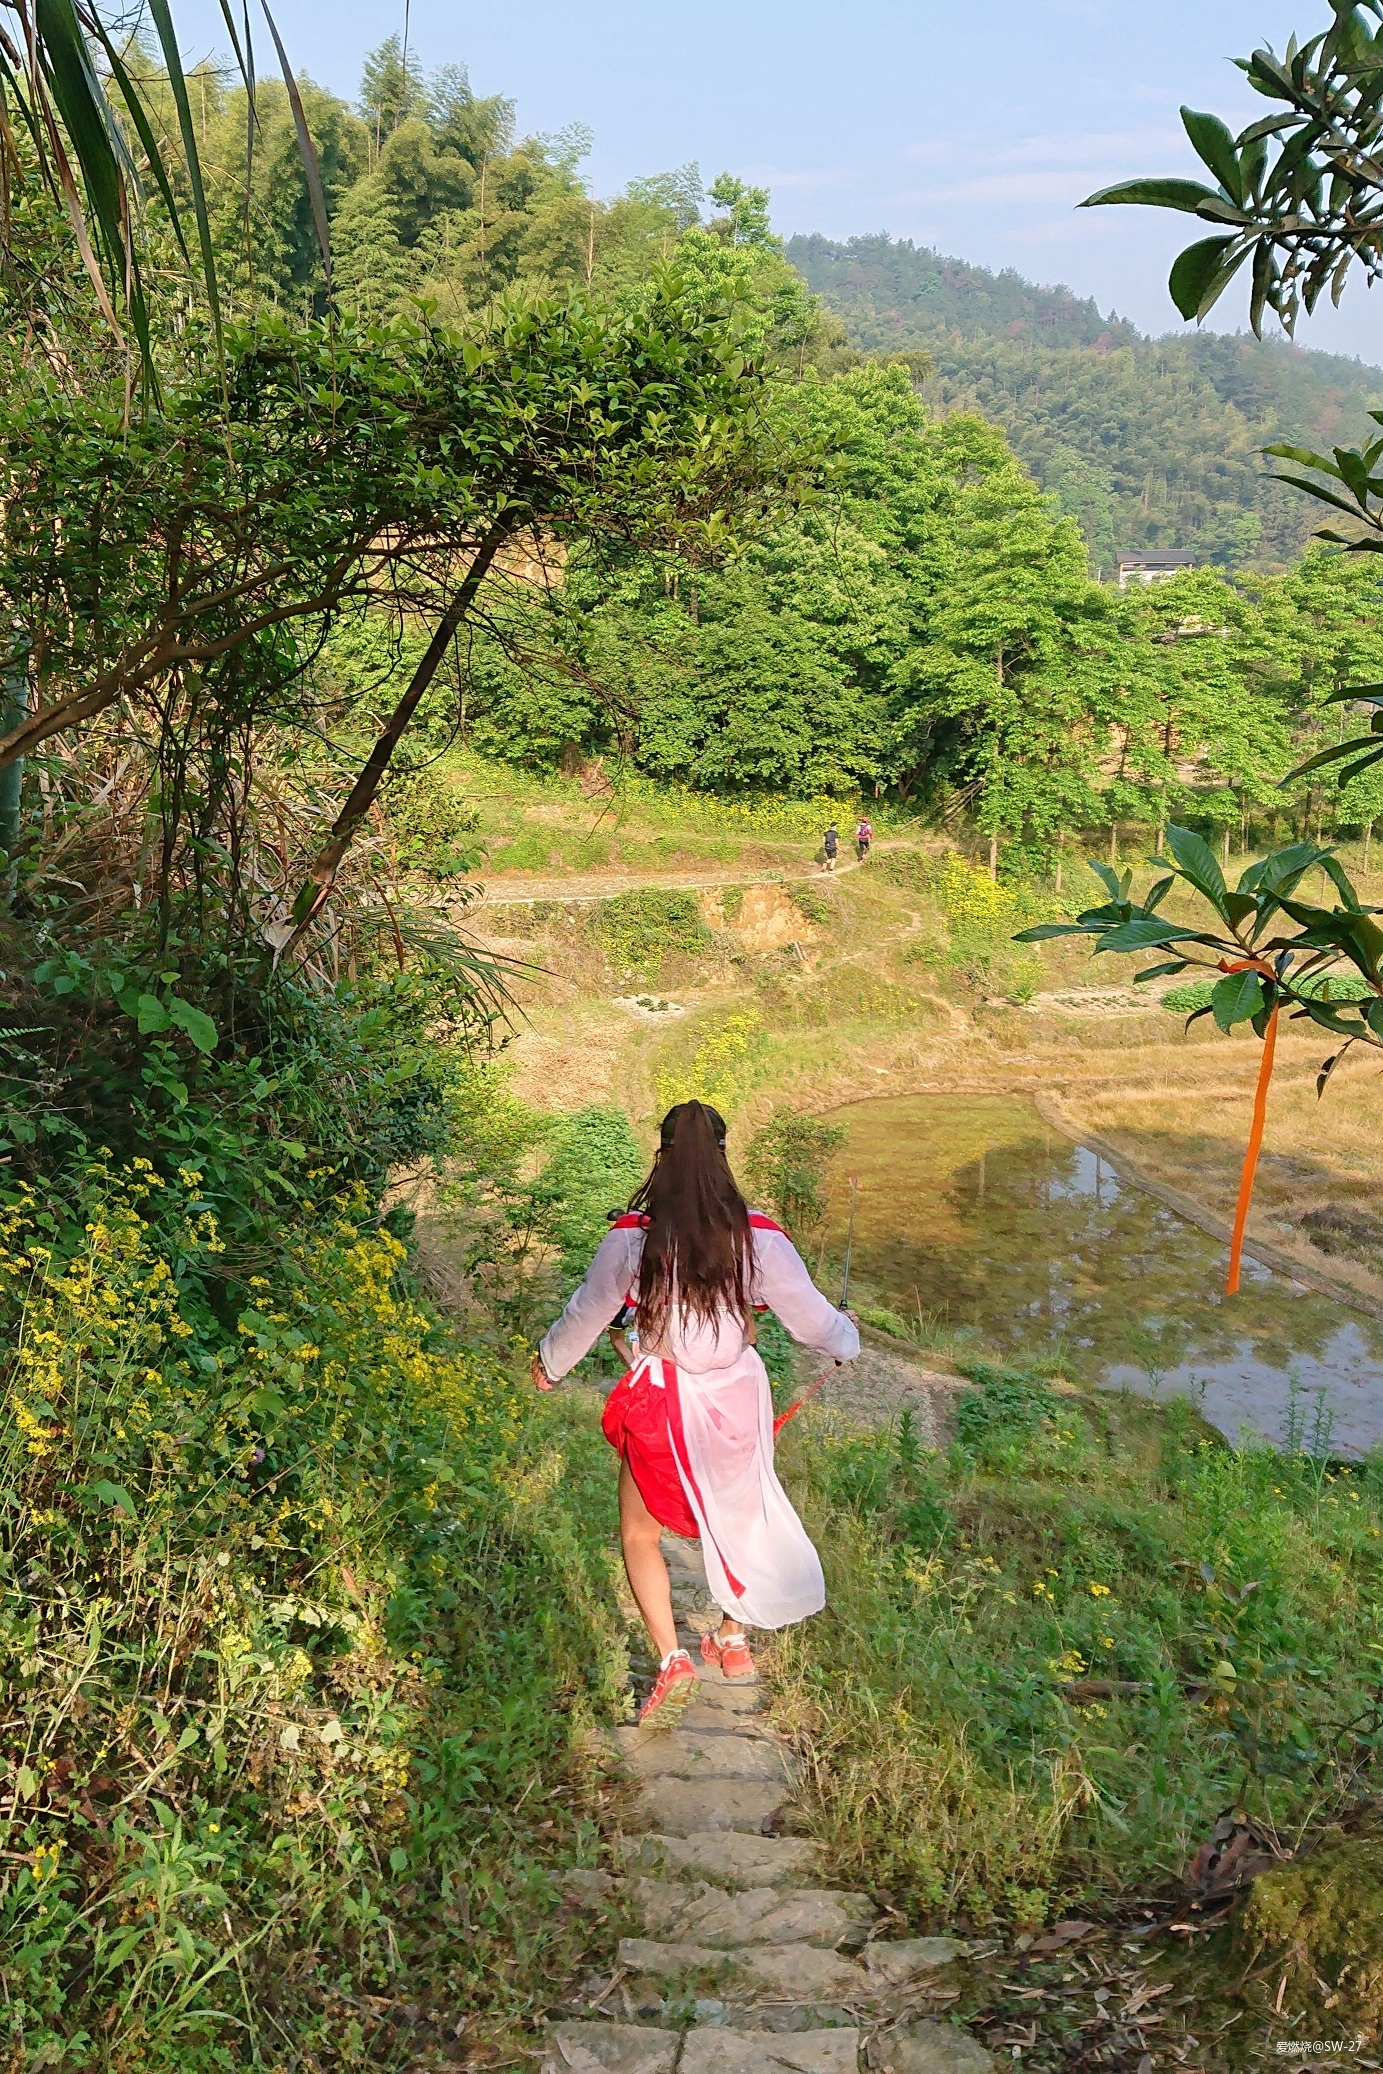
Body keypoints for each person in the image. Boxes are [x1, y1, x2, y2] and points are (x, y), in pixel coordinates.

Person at [532, 1101, 859, 1729]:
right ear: (723, 1155)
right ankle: (732, 1639)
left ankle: (672, 1660)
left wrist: (549, 1365)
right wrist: (846, 1337)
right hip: (738, 1395)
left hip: (663, 1398)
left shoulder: (634, 1236)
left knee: (640, 1532)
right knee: (741, 1512)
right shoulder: (757, 1237)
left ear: (662, 1156)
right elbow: (814, 1320)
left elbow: (588, 1311)